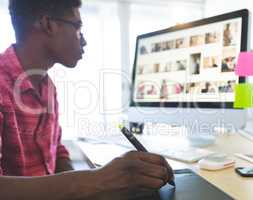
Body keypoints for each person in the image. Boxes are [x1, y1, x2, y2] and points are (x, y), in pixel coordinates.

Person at [0, 1, 174, 199]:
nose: (83, 41)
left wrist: (92, 186)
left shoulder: (46, 86)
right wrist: (98, 180)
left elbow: (56, 152)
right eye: (77, 27)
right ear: (48, 25)